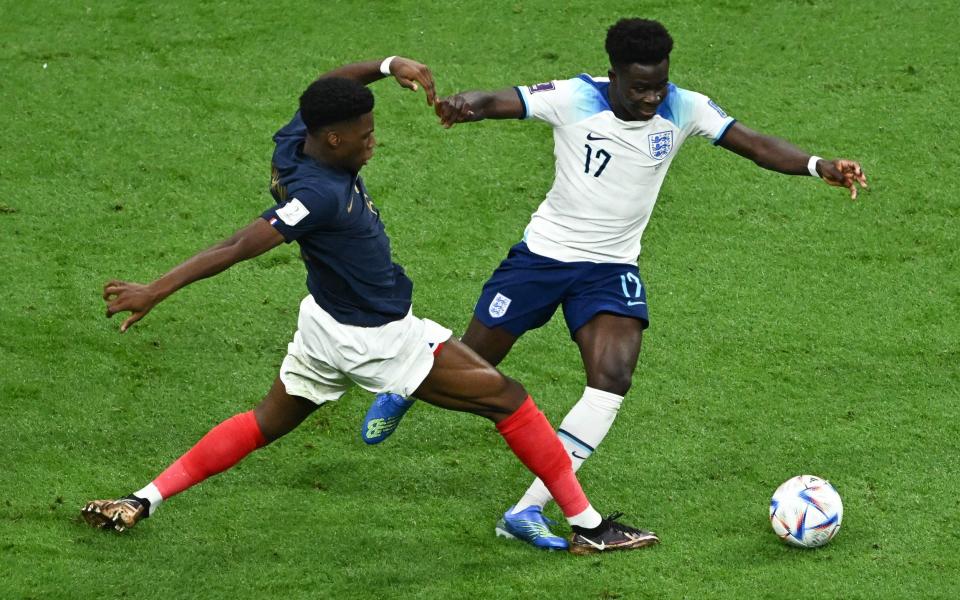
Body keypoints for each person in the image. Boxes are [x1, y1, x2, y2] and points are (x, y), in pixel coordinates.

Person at [80, 55, 660, 555]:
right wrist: (156, 289)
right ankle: (588, 527)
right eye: (365, 134)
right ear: (333, 139)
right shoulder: (319, 197)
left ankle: (141, 499)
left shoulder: (296, 140)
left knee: (266, 422)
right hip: (379, 338)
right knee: (510, 402)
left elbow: (329, 83)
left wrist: (386, 67)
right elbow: (238, 246)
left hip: (322, 326)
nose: (372, 141)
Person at [362, 19, 869, 551]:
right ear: (614, 77)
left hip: (610, 268)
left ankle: (528, 508)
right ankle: (404, 386)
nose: (652, 98)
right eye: (640, 88)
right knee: (476, 363)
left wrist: (819, 166)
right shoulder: (573, 97)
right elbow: (501, 100)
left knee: (612, 379)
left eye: (659, 86)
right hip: (542, 259)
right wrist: (465, 105)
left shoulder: (685, 106)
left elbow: (755, 145)